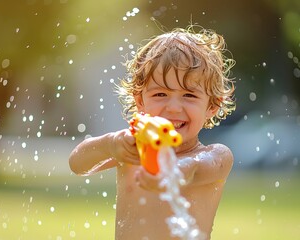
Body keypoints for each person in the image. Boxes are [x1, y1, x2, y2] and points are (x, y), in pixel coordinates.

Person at [69, 25, 236, 240]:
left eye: (189, 95)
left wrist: (172, 172)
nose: (174, 107)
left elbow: (193, 169)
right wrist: (110, 144)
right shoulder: (131, 148)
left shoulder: (217, 155)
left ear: (212, 106)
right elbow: (77, 163)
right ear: (140, 102)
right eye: (160, 94)